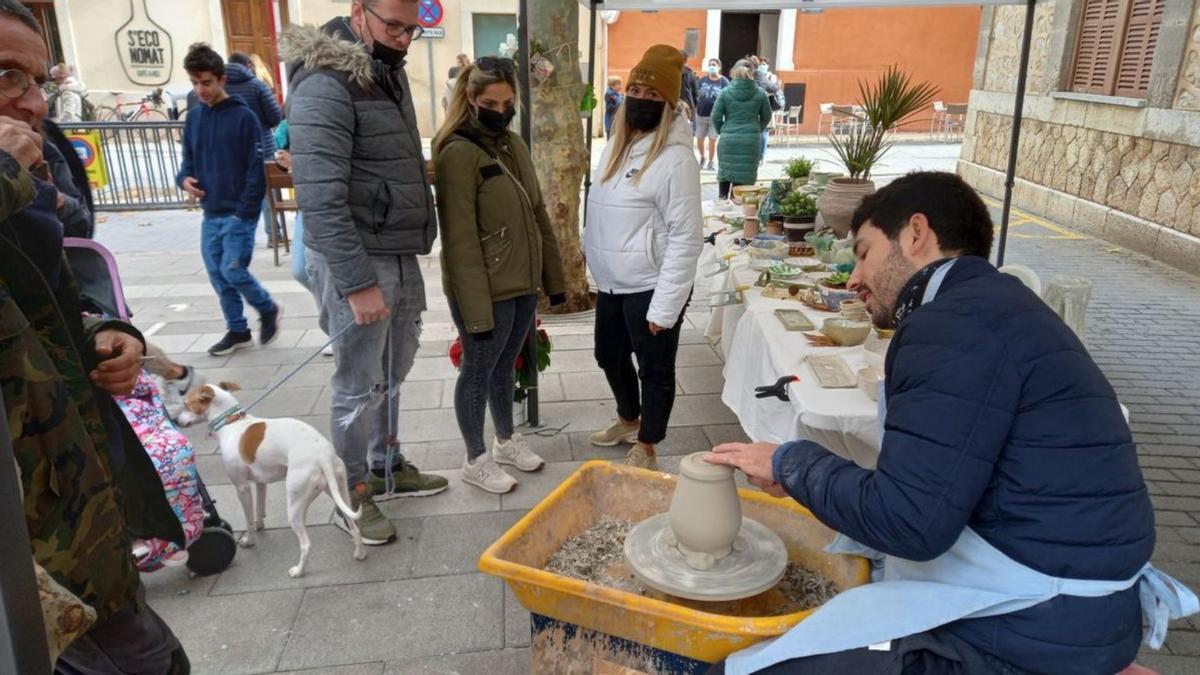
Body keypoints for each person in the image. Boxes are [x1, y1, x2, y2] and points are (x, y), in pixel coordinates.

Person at [705, 172, 1196, 675]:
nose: (853, 279)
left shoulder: (952, 326)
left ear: (916, 234)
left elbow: (910, 523)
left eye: (865, 252)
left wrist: (792, 462)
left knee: (737, 666)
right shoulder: (995, 307)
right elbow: (940, 482)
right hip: (1078, 608)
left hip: (1033, 627)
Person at [0, 4, 188, 670]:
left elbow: (52, 295)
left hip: (79, 509)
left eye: (39, 80)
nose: (34, 103)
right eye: (6, 77)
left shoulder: (30, 173)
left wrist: (106, 331)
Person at [280, 0, 449, 547]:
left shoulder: (383, 73)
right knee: (357, 382)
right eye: (392, 26)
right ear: (358, 12)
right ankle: (349, 490)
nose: (402, 38)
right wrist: (356, 283)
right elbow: (321, 198)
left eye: (412, 30)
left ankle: (385, 464)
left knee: (393, 372)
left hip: (396, 248)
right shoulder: (328, 81)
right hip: (360, 258)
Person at [432, 57, 567, 493]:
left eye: (509, 101)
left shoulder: (514, 145)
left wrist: (554, 278)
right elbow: (459, 239)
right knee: (477, 367)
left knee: (505, 363)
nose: (501, 108)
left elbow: (537, 211)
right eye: (491, 101)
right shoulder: (457, 152)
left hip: (521, 282)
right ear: (470, 99)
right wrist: (474, 308)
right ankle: (474, 458)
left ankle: (505, 439)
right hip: (484, 286)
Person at [584, 45, 702, 470]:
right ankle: (628, 418)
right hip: (613, 283)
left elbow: (686, 237)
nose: (640, 100)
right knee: (608, 355)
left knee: (654, 367)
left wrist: (666, 305)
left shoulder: (675, 160)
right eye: (635, 89)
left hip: (651, 284)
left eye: (653, 95)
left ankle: (648, 444)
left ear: (669, 105)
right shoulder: (615, 148)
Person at [176, 43, 282, 356]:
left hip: (239, 213)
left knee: (233, 270)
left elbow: (254, 171)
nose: (200, 90)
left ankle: (267, 308)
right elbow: (187, 161)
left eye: (206, 82)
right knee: (218, 276)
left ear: (222, 80)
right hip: (211, 211)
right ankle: (237, 330)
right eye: (195, 83)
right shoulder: (194, 118)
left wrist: (243, 213)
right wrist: (185, 180)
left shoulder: (243, 117)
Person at [226, 51, 284, 241]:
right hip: (262, 145)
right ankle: (274, 234)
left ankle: (239, 236)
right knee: (267, 192)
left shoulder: (220, 87)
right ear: (248, 66)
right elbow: (275, 116)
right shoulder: (256, 85)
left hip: (232, 148)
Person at [712, 64, 771, 200]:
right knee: (744, 180)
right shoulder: (760, 93)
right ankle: (739, 206)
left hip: (728, 139)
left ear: (734, 76)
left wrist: (722, 130)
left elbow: (715, 116)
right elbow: (767, 116)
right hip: (750, 140)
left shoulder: (725, 92)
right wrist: (757, 128)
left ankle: (722, 200)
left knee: (725, 172)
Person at [694, 57, 728, 172]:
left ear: (719, 67)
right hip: (701, 114)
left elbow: (728, 97)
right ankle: (703, 157)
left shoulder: (723, 81)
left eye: (714, 64)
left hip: (715, 116)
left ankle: (712, 161)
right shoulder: (702, 80)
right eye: (710, 65)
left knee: (712, 139)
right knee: (699, 138)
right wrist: (699, 95)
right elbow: (696, 94)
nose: (711, 67)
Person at [678, 49, 698, 120]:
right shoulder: (691, 74)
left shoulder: (670, 73)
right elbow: (696, 95)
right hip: (687, 108)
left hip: (672, 108)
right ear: (686, 60)